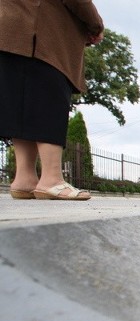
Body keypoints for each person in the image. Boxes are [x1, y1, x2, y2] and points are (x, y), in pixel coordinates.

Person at [0, 0, 104, 201]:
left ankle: (25, 178)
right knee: (48, 101)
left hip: (10, 28)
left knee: (21, 102)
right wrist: (95, 24)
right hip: (43, 34)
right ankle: (51, 179)